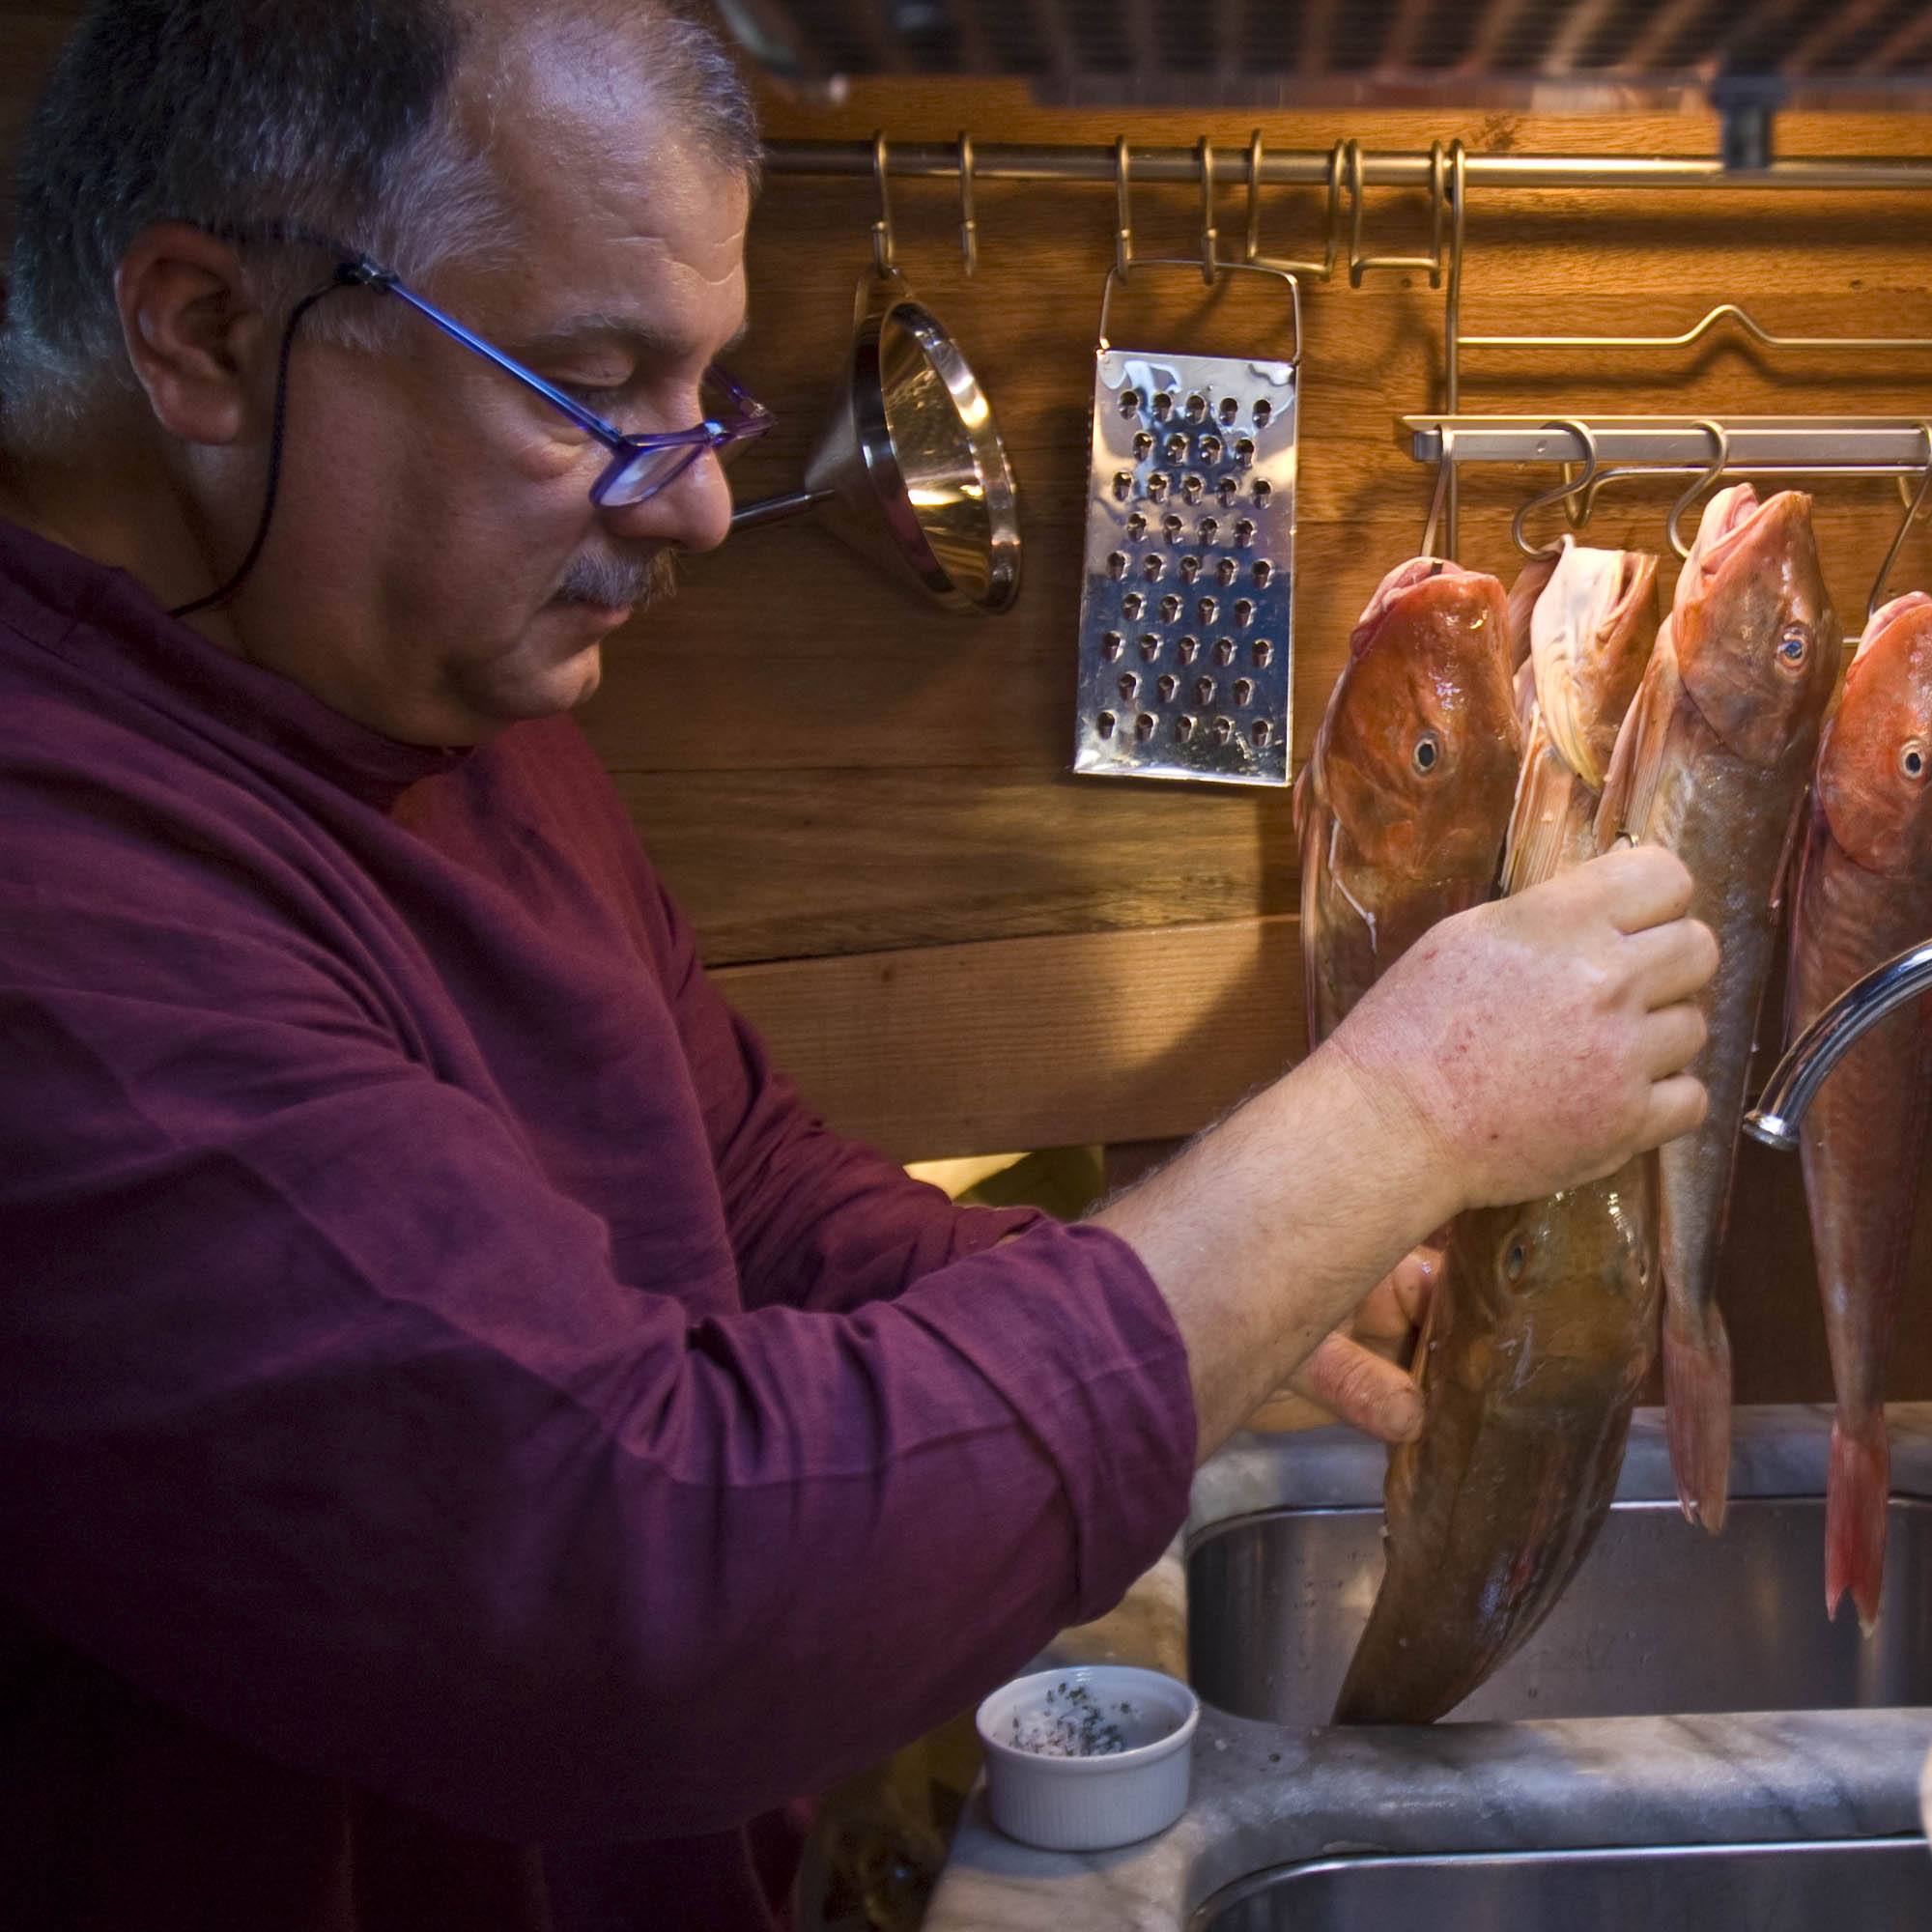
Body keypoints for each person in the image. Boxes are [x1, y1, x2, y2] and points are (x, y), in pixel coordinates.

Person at [0, 4, 1717, 1926]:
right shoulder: (62, 913)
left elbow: (753, 1203)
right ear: (206, 335)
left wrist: (1226, 1281)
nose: (699, 499)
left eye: (705, 393)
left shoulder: (429, 697)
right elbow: (646, 1582)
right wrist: (1400, 1115)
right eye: (591, 386)